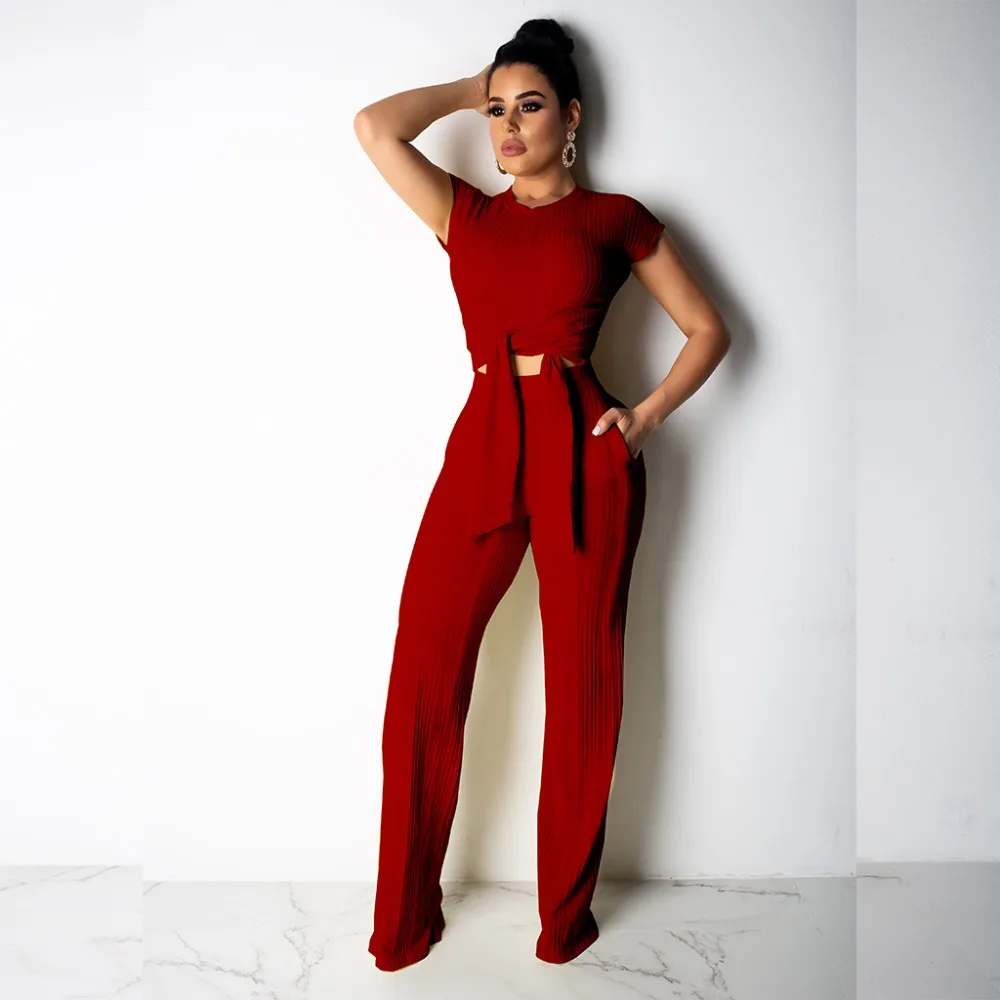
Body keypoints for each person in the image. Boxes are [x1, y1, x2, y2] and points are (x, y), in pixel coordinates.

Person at [354, 16, 730, 973]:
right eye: (496, 111)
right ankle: (404, 920)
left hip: (583, 452)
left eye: (529, 107)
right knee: (423, 672)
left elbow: (708, 330)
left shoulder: (614, 218)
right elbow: (373, 127)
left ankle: (564, 922)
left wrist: (642, 419)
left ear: (572, 117)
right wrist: (469, 85)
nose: (507, 127)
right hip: (484, 446)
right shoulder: (465, 215)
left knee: (583, 686)